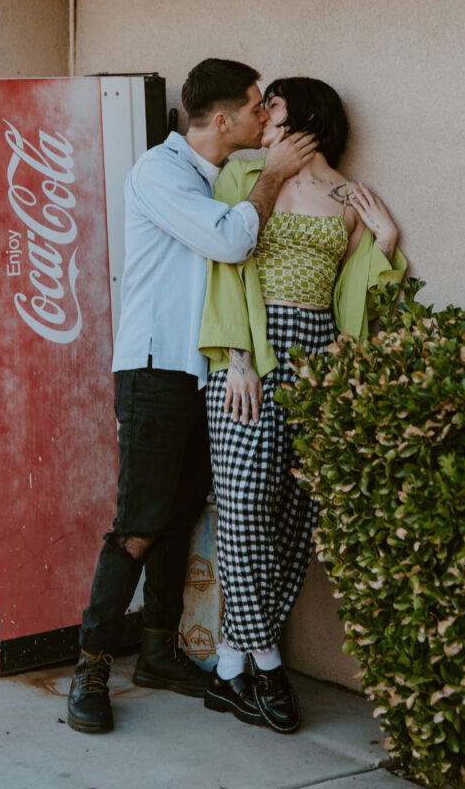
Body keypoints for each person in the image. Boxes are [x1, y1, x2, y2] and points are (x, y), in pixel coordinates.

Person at [67, 59, 318, 734]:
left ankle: (158, 653)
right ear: (220, 120)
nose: (265, 116)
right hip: (154, 371)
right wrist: (272, 176)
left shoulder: (221, 177)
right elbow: (233, 242)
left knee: (179, 517)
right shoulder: (162, 171)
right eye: (255, 107)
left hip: (201, 376)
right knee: (141, 524)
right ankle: (88, 666)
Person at [198, 76, 407, 733]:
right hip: (249, 360)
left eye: (274, 104)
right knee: (242, 505)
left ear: (306, 115)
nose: (262, 114)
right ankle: (265, 657)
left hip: (316, 356)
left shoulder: (349, 196)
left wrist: (385, 244)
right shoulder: (242, 178)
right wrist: (237, 357)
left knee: (293, 510)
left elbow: (352, 295)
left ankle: (229, 665)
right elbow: (225, 267)